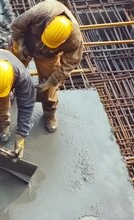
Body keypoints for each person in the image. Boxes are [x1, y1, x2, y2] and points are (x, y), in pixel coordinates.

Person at [9, 0, 83, 133]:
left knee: (50, 89)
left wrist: (51, 81)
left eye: (50, 44)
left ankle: (49, 113)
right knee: (10, 71)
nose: (45, 45)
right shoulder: (39, 13)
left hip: (48, 56)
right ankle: (9, 91)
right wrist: (17, 44)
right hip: (26, 42)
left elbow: (70, 63)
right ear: (46, 27)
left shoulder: (74, 39)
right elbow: (17, 26)